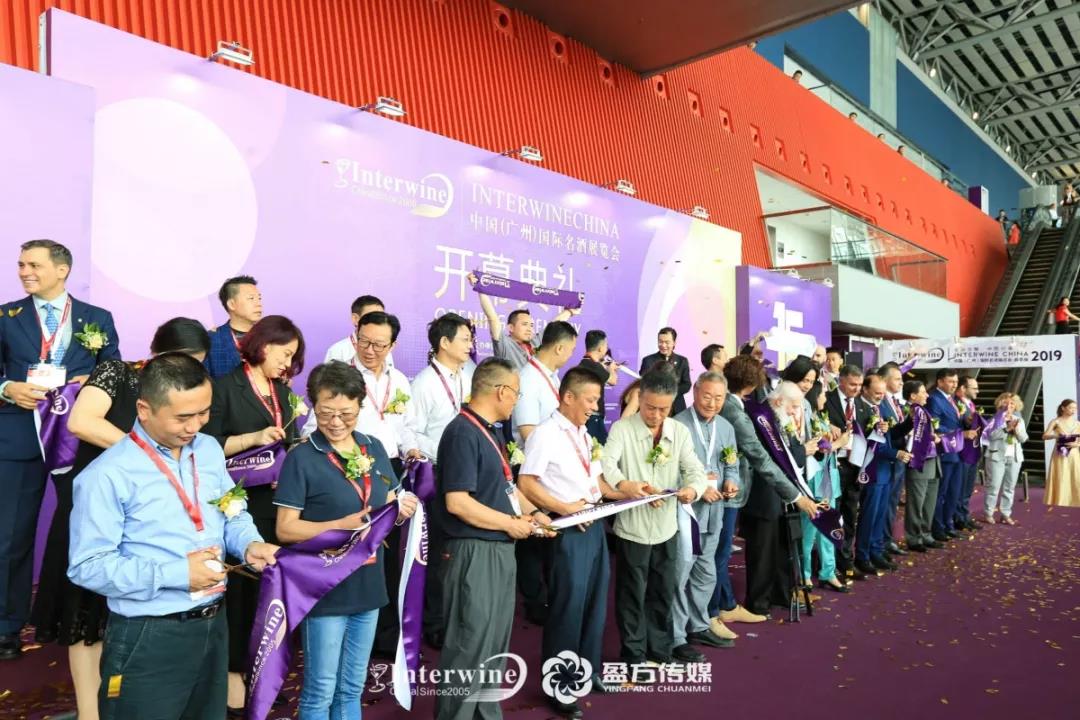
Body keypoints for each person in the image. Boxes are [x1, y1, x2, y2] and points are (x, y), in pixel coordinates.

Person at [67, 353, 279, 719]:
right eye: (183, 417)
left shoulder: (208, 450)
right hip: (148, 635)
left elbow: (231, 511)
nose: (194, 426)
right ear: (144, 409)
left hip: (213, 624)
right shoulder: (107, 475)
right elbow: (87, 567)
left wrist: (249, 543)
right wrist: (177, 574)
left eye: (204, 413)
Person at [31, 318, 209, 720]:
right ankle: (89, 712)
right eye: (182, 360)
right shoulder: (117, 372)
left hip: (148, 518)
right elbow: (81, 422)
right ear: (158, 351)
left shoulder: (187, 404)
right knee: (86, 617)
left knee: (131, 612)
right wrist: (148, 455)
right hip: (99, 508)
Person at [274, 361, 417, 720]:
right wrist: (339, 525)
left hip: (368, 583)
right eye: (326, 413)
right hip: (325, 587)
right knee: (321, 689)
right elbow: (285, 529)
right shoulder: (302, 458)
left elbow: (387, 505)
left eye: (346, 414)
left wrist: (401, 509)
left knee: (352, 686)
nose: (336, 422)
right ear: (313, 406)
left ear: (359, 406)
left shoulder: (374, 448)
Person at [0, 239, 120, 661]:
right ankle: (7, 627)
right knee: (11, 538)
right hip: (19, 439)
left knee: (86, 529)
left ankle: (81, 620)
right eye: (21, 265)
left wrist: (91, 383)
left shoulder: (97, 318)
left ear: (62, 269)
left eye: (33, 265)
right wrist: (7, 387)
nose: (24, 272)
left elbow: (114, 370)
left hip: (78, 439)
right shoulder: (6, 316)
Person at [434, 358, 553, 720]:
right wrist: (509, 523)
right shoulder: (462, 432)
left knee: (493, 646)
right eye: (516, 393)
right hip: (474, 550)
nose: (517, 400)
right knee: (469, 645)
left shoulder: (490, 431)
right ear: (501, 391)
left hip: (499, 547)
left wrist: (534, 514)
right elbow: (457, 502)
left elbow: (505, 488)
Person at [203, 314, 304, 713]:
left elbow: (289, 445)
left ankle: (264, 674)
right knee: (241, 598)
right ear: (263, 345)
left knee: (271, 596)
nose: (287, 363)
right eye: (285, 353)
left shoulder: (284, 393)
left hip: (279, 508)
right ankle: (233, 681)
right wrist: (253, 439)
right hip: (241, 506)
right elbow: (207, 446)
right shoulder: (225, 387)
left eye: (293, 357)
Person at [518, 368, 624, 715]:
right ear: (568, 397)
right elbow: (527, 483)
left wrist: (626, 492)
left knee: (595, 603)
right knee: (568, 608)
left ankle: (587, 671)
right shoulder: (546, 434)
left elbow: (596, 482)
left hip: (594, 525)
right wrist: (565, 510)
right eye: (590, 400)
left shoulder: (582, 433)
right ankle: (559, 686)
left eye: (597, 400)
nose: (595, 407)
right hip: (568, 531)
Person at [602, 369, 706, 665]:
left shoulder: (678, 431)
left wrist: (693, 490)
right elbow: (607, 464)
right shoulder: (622, 429)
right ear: (639, 397)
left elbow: (695, 470)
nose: (657, 415)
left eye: (664, 408)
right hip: (632, 529)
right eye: (650, 407)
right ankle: (634, 653)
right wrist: (625, 485)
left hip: (666, 527)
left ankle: (659, 650)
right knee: (631, 594)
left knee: (662, 591)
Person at [410, 313, 475, 648]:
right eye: (465, 339)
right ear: (444, 342)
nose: (470, 345)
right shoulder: (424, 384)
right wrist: (449, 450)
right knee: (438, 553)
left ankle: (457, 615)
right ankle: (435, 623)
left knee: (461, 549)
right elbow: (412, 432)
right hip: (438, 473)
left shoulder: (468, 374)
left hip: (465, 472)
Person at [673, 372, 740, 648]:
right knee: (680, 576)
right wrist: (700, 488)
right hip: (687, 515)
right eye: (707, 396)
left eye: (719, 398)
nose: (712, 403)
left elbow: (732, 463)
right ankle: (676, 636)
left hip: (715, 514)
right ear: (695, 392)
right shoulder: (677, 425)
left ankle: (699, 625)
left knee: (706, 573)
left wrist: (732, 481)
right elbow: (670, 472)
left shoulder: (726, 427)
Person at [742, 380, 820, 614]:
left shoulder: (780, 417)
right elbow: (771, 458)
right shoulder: (761, 419)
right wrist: (803, 450)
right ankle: (758, 603)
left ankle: (781, 593)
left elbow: (791, 453)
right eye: (793, 406)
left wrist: (800, 450)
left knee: (783, 548)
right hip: (764, 495)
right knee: (762, 552)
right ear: (777, 401)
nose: (795, 412)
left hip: (785, 494)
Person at [471, 273, 577, 369]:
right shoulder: (505, 344)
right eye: (524, 324)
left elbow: (552, 326)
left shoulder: (535, 343)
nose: (529, 329)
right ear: (511, 328)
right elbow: (493, 318)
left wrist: (569, 312)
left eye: (531, 325)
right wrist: (480, 287)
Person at [825, 364, 872, 580]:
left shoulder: (862, 405)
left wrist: (878, 429)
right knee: (832, 516)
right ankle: (829, 564)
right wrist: (827, 425)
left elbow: (866, 434)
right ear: (841, 381)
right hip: (833, 465)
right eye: (853, 384)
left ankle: (846, 563)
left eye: (860, 385)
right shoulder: (826, 400)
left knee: (850, 516)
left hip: (855, 467)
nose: (857, 388)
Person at [853, 373, 902, 576]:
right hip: (871, 470)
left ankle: (876, 551)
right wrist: (895, 453)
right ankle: (863, 555)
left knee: (880, 514)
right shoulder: (858, 407)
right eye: (877, 392)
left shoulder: (880, 408)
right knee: (869, 515)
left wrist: (911, 422)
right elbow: (865, 443)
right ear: (865, 389)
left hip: (885, 470)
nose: (881, 396)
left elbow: (891, 435)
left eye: (882, 393)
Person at [801, 382, 847, 592]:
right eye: (822, 395)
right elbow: (818, 449)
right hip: (815, 480)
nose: (825, 399)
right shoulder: (806, 419)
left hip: (829, 478)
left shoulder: (820, 418)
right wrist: (839, 443)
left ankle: (828, 572)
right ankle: (804, 574)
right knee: (809, 530)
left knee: (830, 527)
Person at [900, 380, 944, 552]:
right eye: (923, 392)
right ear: (912, 396)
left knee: (929, 502)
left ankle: (926, 534)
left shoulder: (924, 411)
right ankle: (914, 537)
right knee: (916, 503)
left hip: (933, 459)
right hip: (918, 461)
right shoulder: (907, 411)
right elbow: (906, 435)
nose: (927, 395)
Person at [927, 369, 964, 543]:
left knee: (953, 492)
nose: (954, 385)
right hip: (944, 450)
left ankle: (948, 525)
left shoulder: (952, 399)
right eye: (950, 381)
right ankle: (938, 527)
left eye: (956, 382)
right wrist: (958, 433)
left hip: (956, 450)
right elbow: (934, 425)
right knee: (941, 492)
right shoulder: (934, 399)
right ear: (940, 382)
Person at [877, 363, 909, 557]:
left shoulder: (895, 402)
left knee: (892, 503)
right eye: (897, 379)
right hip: (888, 457)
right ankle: (880, 542)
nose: (901, 382)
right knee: (885, 503)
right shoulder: (880, 402)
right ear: (884, 379)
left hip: (899, 457)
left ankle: (886, 540)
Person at [982, 393, 1027, 525]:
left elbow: (1024, 438)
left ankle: (1005, 514)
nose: (1009, 405)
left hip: (1014, 457)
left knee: (1010, 487)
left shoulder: (1019, 420)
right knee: (993, 486)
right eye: (1006, 402)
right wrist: (1007, 429)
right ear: (1000, 404)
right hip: (996, 457)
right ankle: (989, 513)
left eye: (1012, 403)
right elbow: (990, 436)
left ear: (1016, 406)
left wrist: (1016, 430)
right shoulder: (994, 419)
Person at [318, 294, 396, 370]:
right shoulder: (338, 351)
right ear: (355, 319)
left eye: (381, 318)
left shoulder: (384, 348)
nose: (378, 323)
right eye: (371, 318)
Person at [205, 275, 262, 378]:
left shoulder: (269, 337)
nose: (258, 304)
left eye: (259, 298)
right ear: (232, 304)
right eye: (251, 298)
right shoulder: (211, 340)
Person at [575, 329, 619, 444]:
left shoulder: (584, 363)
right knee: (601, 450)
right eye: (606, 346)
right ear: (600, 348)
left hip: (586, 416)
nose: (606, 349)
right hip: (594, 418)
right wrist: (612, 369)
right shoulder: (595, 366)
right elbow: (613, 381)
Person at [639, 327, 692, 415]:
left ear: (674, 342)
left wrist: (670, 393)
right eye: (660, 342)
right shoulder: (648, 360)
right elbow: (643, 383)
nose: (663, 345)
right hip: (654, 406)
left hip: (677, 408)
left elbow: (687, 384)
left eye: (667, 342)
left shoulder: (682, 361)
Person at [954, 375, 983, 532]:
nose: (977, 391)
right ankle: (957, 518)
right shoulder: (955, 403)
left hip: (972, 451)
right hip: (961, 452)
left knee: (968, 488)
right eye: (974, 388)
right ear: (963, 388)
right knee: (959, 488)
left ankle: (964, 516)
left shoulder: (970, 404)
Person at [1044, 399, 1080, 507]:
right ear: (1063, 408)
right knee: (1061, 475)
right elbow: (1044, 436)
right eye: (1070, 408)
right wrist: (1056, 436)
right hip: (1060, 452)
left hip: (1074, 453)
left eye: (1075, 408)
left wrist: (1077, 445)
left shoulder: (1077, 423)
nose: (1073, 410)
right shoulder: (1056, 421)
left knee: (1075, 475)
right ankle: (1060, 500)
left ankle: (1076, 500)